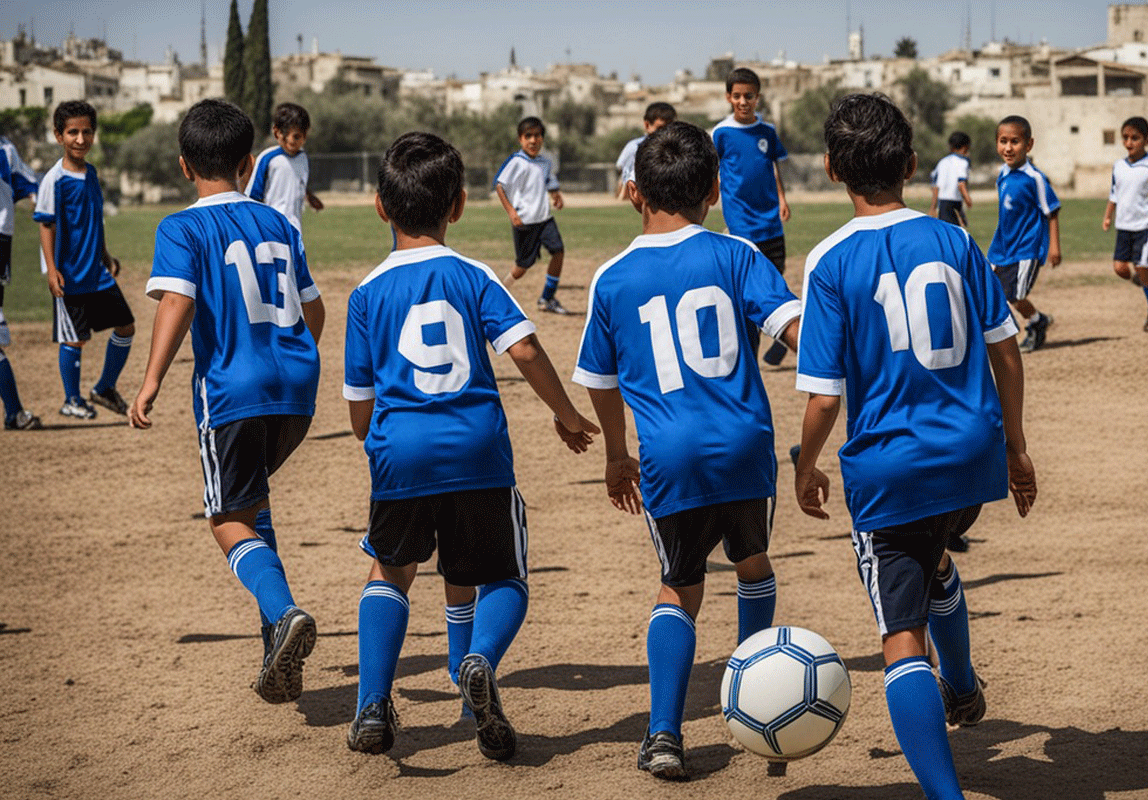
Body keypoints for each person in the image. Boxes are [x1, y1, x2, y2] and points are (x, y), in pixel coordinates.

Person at [792, 93, 1037, 800]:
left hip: (892, 473)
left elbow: (825, 398)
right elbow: (1007, 352)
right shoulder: (956, 241)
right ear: (913, 164)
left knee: (901, 639)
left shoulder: (832, 259)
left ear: (835, 168)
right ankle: (962, 686)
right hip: (971, 463)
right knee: (935, 560)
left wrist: (804, 465)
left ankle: (945, 794)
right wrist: (1015, 451)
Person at [342, 131, 598, 760]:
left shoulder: (366, 292)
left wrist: (377, 443)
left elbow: (358, 399)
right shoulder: (475, 274)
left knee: (391, 573)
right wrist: (565, 414)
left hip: (400, 452)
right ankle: (478, 662)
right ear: (457, 205)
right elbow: (526, 350)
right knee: (502, 574)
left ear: (381, 205)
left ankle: (373, 703)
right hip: (477, 450)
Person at [573, 121, 801, 781]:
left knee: (679, 586)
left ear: (636, 191)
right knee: (754, 566)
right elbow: (793, 327)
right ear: (714, 189)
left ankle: (665, 735)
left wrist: (617, 455)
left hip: (669, 455)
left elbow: (600, 380)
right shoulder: (739, 255)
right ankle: (761, 700)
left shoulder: (613, 277)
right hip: (744, 447)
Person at [129, 99, 325, 706]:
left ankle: (284, 612)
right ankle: (277, 652)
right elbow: (313, 309)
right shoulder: (280, 224)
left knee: (228, 518)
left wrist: (151, 379)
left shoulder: (181, 227)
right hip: (296, 392)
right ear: (248, 162)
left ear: (185, 167)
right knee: (253, 503)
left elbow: (177, 303)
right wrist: (289, 359)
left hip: (232, 394)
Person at [34, 100, 135, 420]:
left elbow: (94, 220)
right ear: (58, 135)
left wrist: (105, 255)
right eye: (72, 132)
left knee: (126, 326)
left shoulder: (91, 173)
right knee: (74, 338)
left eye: (86, 132)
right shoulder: (54, 179)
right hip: (70, 273)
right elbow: (46, 223)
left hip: (96, 270)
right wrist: (52, 271)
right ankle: (72, 399)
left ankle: (104, 387)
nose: (80, 139)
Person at [711, 67, 792, 366]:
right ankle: (750, 349)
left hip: (770, 217)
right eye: (737, 96)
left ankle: (781, 336)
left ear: (758, 97)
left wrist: (782, 199)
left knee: (775, 278)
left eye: (749, 96)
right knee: (746, 285)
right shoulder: (721, 133)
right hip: (740, 219)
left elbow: (774, 167)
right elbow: (714, 172)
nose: (743, 101)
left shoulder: (767, 132)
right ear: (728, 98)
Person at [987, 115, 1061, 354]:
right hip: (1002, 248)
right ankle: (1030, 322)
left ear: (1028, 145)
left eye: (1015, 141)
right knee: (993, 290)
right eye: (1003, 141)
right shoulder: (1003, 174)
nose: (1008, 148)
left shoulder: (1035, 178)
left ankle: (1037, 322)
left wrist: (1054, 247)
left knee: (1016, 295)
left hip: (1026, 248)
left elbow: (1051, 212)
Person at [1101, 115, 1148, 332]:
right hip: (1123, 226)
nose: (1129, 142)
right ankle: (1143, 283)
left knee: (1142, 266)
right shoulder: (1118, 166)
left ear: (1147, 139)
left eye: (1135, 138)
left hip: (1146, 226)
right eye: (1125, 137)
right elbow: (1114, 193)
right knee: (1119, 268)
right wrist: (1108, 216)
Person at [494, 116, 569, 314]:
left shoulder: (545, 162)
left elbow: (549, 180)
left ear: (542, 139)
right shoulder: (516, 162)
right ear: (520, 139)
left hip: (544, 219)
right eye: (528, 136)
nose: (533, 141)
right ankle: (497, 293)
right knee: (522, 267)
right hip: (525, 221)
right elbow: (500, 185)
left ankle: (547, 298)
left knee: (558, 252)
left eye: (537, 136)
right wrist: (511, 212)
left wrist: (556, 195)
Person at [0, 133, 42, 430]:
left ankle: (14, 411)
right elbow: (31, 185)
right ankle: (14, 411)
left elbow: (31, 185)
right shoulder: (4, 148)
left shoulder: (5, 148)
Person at [246, 102, 323, 233]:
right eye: (288, 133)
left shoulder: (303, 158)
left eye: (298, 135)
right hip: (271, 228)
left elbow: (297, 182)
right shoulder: (268, 158)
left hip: (295, 228)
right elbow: (253, 196)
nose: (292, 139)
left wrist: (309, 196)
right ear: (277, 133)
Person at [615, 102, 676, 201]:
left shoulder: (677, 148)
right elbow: (624, 172)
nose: (665, 132)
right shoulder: (635, 147)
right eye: (660, 128)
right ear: (647, 125)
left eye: (669, 127)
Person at [929, 131, 972, 228]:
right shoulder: (963, 162)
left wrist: (933, 207)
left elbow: (935, 186)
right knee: (958, 233)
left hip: (942, 203)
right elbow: (961, 184)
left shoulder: (942, 162)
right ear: (966, 147)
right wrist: (968, 199)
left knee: (946, 231)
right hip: (955, 203)